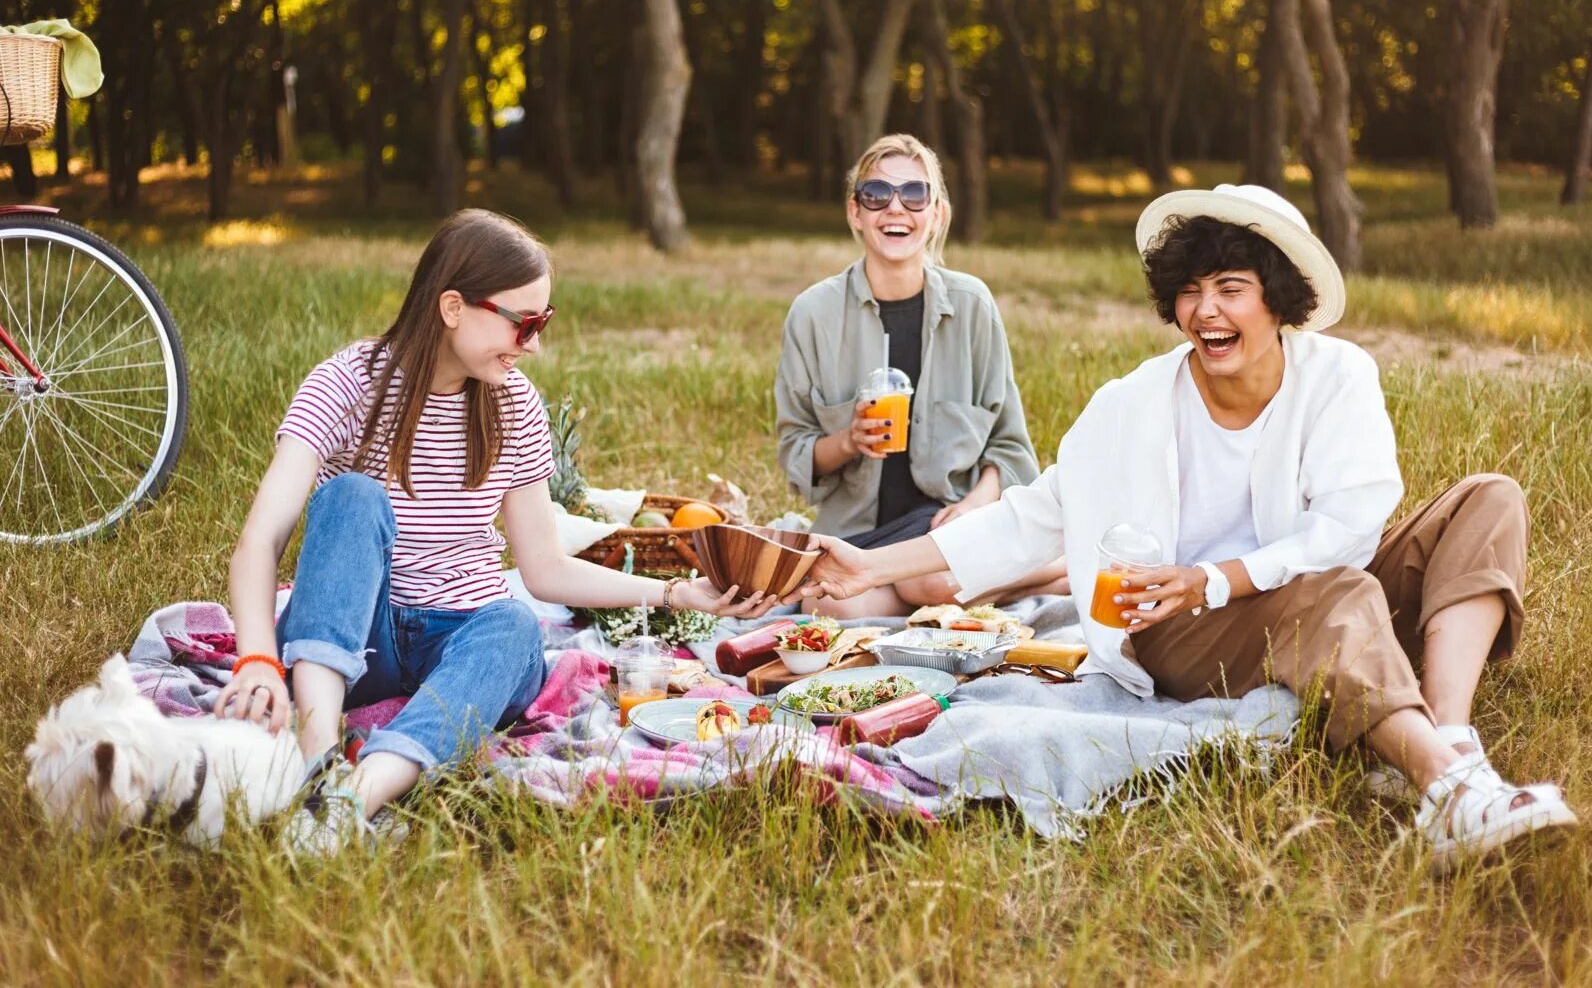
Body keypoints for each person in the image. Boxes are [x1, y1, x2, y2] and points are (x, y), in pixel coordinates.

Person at [803, 184, 1578, 869]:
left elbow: (1350, 525)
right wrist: (868, 568)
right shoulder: (1130, 405)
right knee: (1332, 592)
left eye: (1232, 288)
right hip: (1180, 629)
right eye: (1191, 290)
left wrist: (1220, 576)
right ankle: (1447, 783)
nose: (1206, 310)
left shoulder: (1339, 377)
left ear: (1278, 299)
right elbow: (1029, 521)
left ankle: (1451, 746)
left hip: (1300, 595)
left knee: (1491, 497)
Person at [215, 209, 777, 855]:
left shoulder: (514, 405)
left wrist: (674, 593)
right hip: (355, 639)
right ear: (453, 306)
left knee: (514, 624)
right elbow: (260, 540)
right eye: (523, 323)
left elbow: (544, 569)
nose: (534, 344)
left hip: (461, 637)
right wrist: (256, 657)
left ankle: (353, 796)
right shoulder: (348, 383)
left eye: (545, 321)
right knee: (350, 496)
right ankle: (316, 763)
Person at [775, 133, 1065, 618]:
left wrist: (974, 507)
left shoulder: (973, 306)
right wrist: (849, 441)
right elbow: (796, 455)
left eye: (914, 194)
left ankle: (1034, 572)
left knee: (932, 575)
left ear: (937, 215)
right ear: (855, 213)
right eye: (876, 194)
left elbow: (1010, 446)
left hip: (949, 526)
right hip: (861, 539)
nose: (895, 208)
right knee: (835, 610)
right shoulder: (813, 314)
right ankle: (1050, 577)